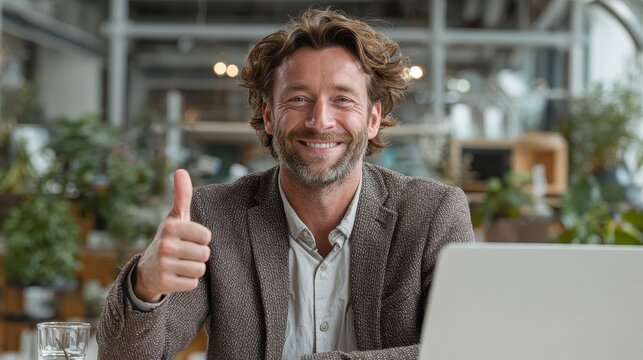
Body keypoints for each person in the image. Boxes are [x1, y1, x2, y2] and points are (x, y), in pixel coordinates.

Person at [97, 8, 474, 360]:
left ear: (373, 119)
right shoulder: (214, 216)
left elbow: (467, 350)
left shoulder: (432, 214)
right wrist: (144, 288)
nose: (320, 120)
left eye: (342, 99)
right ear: (269, 116)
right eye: (298, 98)